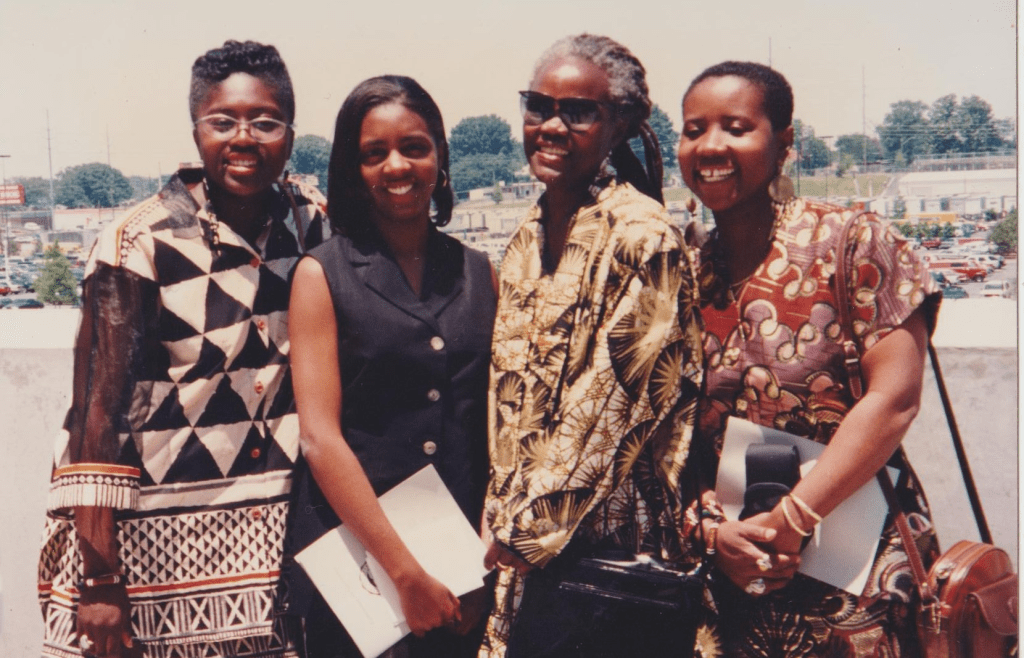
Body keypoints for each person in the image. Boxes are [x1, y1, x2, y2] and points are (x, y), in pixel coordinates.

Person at [37, 40, 330, 658]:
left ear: (291, 132)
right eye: (223, 122)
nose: (244, 138)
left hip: (274, 552)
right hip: (150, 559)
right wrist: (100, 576)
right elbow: (97, 417)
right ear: (196, 130)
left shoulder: (314, 225)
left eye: (266, 122)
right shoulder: (137, 245)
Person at [677, 61, 941, 656]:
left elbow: (895, 399)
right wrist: (714, 534)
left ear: (784, 143)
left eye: (736, 128)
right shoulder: (686, 270)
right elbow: (675, 435)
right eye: (694, 130)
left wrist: (793, 517)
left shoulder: (852, 241)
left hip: (860, 577)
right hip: (735, 577)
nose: (710, 146)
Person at [479, 34, 706, 658]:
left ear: (619, 124)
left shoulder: (644, 237)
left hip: (609, 547)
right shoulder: (526, 236)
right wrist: (503, 515)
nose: (551, 127)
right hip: (521, 544)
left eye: (578, 112)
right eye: (538, 106)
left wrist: (527, 529)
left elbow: (614, 405)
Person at [284, 75, 497, 658]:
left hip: (465, 568)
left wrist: (483, 562)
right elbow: (320, 438)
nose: (397, 166)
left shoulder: (481, 272)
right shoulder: (322, 275)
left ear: (440, 157)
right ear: (354, 171)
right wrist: (405, 574)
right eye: (374, 153)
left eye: (414, 147)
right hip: (362, 569)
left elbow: (495, 427)